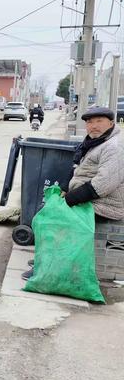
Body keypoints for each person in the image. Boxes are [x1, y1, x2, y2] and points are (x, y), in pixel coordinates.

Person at [22, 106, 124, 279]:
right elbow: (77, 169)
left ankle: (48, 268)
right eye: (90, 122)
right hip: (92, 199)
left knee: (57, 218)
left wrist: (68, 200)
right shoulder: (96, 142)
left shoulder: (114, 147)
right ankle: (46, 257)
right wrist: (63, 189)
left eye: (99, 121)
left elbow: (103, 184)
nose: (94, 126)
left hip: (105, 204)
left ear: (111, 123)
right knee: (45, 209)